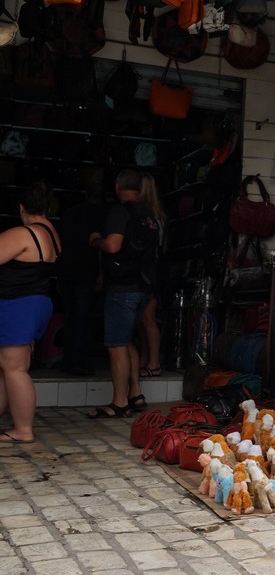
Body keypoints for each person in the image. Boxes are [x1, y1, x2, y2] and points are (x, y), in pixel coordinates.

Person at [86, 169, 161, 419]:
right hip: (144, 287)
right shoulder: (150, 215)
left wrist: (96, 240)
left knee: (117, 345)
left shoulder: (120, 211)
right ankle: (136, 393)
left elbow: (113, 245)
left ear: (117, 187)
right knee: (127, 340)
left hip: (123, 288)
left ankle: (119, 402)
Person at [0, 181, 61, 443]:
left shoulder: (23, 233)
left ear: (21, 208)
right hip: (36, 302)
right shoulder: (52, 233)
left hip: (18, 304)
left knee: (14, 368)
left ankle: (23, 429)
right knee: (8, 367)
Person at [57, 182, 107, 376]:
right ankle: (78, 361)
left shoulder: (71, 213)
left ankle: (68, 359)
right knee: (83, 317)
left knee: (70, 316)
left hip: (66, 268)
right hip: (87, 270)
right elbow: (100, 247)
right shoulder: (103, 214)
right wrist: (101, 273)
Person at [136, 174, 167, 378]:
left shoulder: (150, 218)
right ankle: (146, 359)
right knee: (143, 319)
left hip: (150, 273)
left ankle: (154, 363)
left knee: (148, 318)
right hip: (151, 272)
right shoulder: (158, 217)